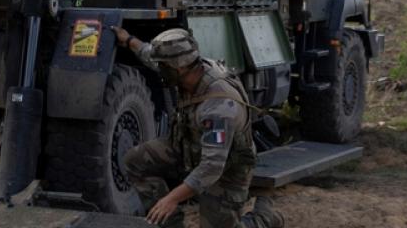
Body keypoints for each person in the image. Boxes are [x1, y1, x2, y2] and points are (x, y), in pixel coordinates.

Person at [111, 26, 283, 228]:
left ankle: (263, 218)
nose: (159, 70)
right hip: (190, 146)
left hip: (226, 168)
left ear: (178, 69)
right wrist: (128, 39)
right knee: (135, 161)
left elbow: (212, 167)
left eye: (163, 67)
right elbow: (151, 56)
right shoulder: (188, 67)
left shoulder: (219, 107)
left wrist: (171, 199)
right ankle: (170, 224)